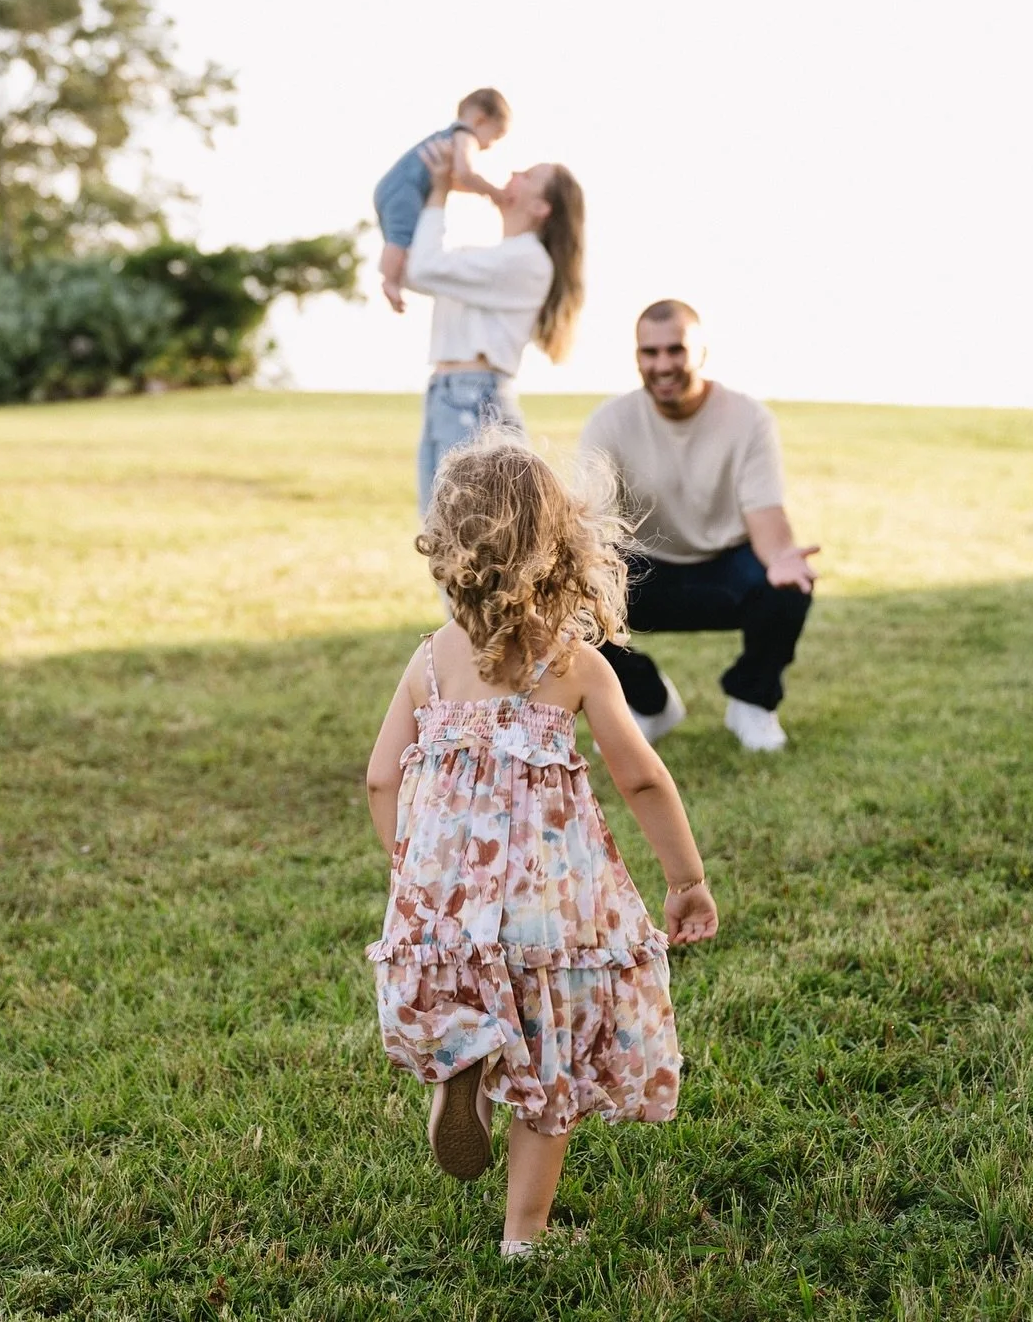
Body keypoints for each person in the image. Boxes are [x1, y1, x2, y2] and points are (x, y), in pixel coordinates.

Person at [365, 437, 718, 1255]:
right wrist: (686, 879)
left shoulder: (429, 661)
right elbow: (642, 781)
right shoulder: (576, 665)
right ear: (561, 549)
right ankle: (522, 1237)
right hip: (552, 906)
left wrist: (409, 866)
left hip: (449, 897)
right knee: (550, 1064)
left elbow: (382, 778)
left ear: (448, 547)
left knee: (480, 1002)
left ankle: (465, 1072)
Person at [580, 299, 820, 753]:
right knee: (569, 597)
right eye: (650, 353)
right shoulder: (609, 422)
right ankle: (649, 701)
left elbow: (766, 519)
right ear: (637, 358)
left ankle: (752, 701)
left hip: (724, 569)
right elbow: (591, 529)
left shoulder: (749, 418)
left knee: (788, 585)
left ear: (702, 352)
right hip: (642, 569)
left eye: (676, 350)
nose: (663, 364)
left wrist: (783, 559)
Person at [404, 137, 584, 513]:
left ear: (540, 207)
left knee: (467, 542)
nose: (513, 174)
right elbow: (415, 271)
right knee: (443, 539)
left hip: (472, 399)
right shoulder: (495, 260)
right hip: (450, 395)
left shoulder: (527, 261)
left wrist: (440, 193)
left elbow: (423, 266)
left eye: (528, 176)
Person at [373, 88, 511, 311]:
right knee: (401, 237)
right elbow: (466, 174)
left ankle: (392, 276)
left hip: (395, 188)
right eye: (494, 137)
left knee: (400, 241)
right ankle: (389, 281)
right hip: (406, 188)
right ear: (480, 120)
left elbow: (455, 182)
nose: (489, 146)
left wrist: (479, 193)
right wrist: (494, 192)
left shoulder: (449, 136)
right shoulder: (465, 136)